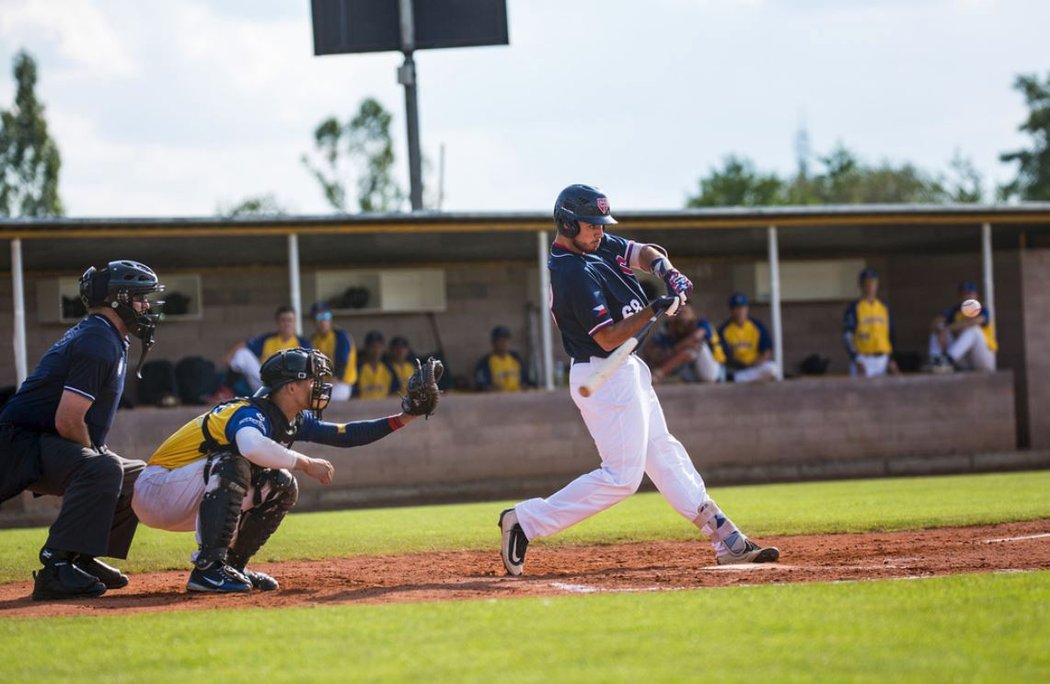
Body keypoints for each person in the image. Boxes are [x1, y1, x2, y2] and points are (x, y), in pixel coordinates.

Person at [498, 184, 779, 576]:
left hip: (626, 369)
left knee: (663, 452)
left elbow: (644, 252)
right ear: (567, 222)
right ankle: (525, 521)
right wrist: (653, 309)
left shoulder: (596, 245)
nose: (599, 231)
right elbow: (608, 337)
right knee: (622, 478)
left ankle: (723, 536)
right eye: (591, 225)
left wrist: (668, 272)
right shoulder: (571, 271)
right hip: (604, 372)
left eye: (600, 224)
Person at [132, 348, 435, 593]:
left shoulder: (290, 418)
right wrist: (305, 463)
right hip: (157, 490)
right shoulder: (248, 412)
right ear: (291, 387)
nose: (321, 385)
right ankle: (208, 570)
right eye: (313, 379)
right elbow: (250, 446)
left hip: (191, 493)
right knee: (235, 462)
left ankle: (231, 567)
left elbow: (346, 434)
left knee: (282, 483)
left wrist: (405, 416)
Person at [0, 260, 164, 600]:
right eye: (139, 298)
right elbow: (68, 420)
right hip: (19, 445)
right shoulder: (98, 340)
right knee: (104, 466)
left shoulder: (107, 335)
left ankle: (81, 558)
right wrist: (95, 455)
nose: (146, 306)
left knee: (138, 475)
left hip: (41, 442)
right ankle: (56, 566)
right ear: (118, 299)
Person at [224, 305, 311, 393]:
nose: (286, 324)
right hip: (264, 382)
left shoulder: (302, 343)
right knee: (242, 354)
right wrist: (229, 355)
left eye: (290, 320)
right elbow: (245, 344)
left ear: (295, 322)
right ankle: (227, 389)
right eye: (283, 320)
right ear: (277, 322)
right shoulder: (267, 339)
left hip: (288, 385)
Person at [644, 304, 726, 384]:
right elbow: (648, 347)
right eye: (680, 312)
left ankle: (659, 373)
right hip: (693, 373)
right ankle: (662, 375)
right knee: (671, 352)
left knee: (695, 347)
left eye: (685, 312)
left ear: (693, 314)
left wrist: (676, 348)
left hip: (714, 372)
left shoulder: (702, 323)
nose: (683, 315)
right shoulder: (671, 328)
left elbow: (695, 337)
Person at [927, 281, 998, 372]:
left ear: (976, 296)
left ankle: (947, 360)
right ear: (959, 297)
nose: (967, 297)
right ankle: (936, 361)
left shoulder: (982, 309)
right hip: (964, 361)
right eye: (964, 294)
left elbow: (975, 321)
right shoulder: (955, 311)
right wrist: (940, 330)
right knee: (939, 328)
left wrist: (947, 328)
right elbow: (935, 322)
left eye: (970, 293)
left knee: (973, 329)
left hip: (984, 359)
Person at [843, 268, 899, 377]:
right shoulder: (854, 308)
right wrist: (856, 359)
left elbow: (891, 335)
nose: (870, 287)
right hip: (863, 359)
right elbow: (847, 336)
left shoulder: (884, 308)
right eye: (867, 283)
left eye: (873, 283)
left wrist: (891, 358)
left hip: (883, 359)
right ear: (861, 285)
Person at [718, 293, 779, 382]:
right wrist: (741, 366)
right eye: (736, 308)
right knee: (732, 377)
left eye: (743, 307)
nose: (740, 311)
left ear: (747, 308)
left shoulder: (757, 326)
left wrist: (754, 364)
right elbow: (725, 357)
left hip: (755, 367)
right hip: (738, 370)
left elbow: (766, 352)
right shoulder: (724, 330)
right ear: (731, 310)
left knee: (773, 369)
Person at [308, 301, 357, 400]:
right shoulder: (313, 339)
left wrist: (325, 386)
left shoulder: (340, 336)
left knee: (323, 400)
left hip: (341, 384)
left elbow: (341, 366)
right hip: (322, 384)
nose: (322, 321)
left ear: (331, 319)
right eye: (318, 317)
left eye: (326, 316)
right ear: (313, 321)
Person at [474, 325, 530, 392]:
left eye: (506, 339)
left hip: (517, 398)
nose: (504, 343)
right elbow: (482, 387)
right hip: (497, 399)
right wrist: (492, 389)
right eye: (500, 340)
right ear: (493, 342)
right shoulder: (485, 363)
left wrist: (525, 387)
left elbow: (526, 382)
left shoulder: (516, 358)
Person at [355, 330, 398, 399]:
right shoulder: (358, 368)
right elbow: (352, 395)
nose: (376, 350)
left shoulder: (389, 369)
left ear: (383, 348)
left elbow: (395, 393)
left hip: (385, 408)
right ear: (365, 347)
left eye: (379, 346)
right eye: (372, 346)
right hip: (361, 408)